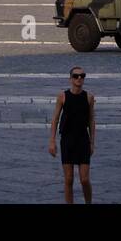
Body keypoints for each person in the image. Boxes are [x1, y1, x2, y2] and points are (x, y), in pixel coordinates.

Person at [49, 67, 96, 204]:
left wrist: (92, 142)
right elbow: (55, 119)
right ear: (70, 79)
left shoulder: (89, 97)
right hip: (67, 140)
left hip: (83, 140)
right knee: (69, 179)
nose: (79, 78)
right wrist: (52, 141)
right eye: (76, 76)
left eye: (82, 76)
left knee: (84, 179)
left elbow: (91, 120)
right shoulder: (62, 96)